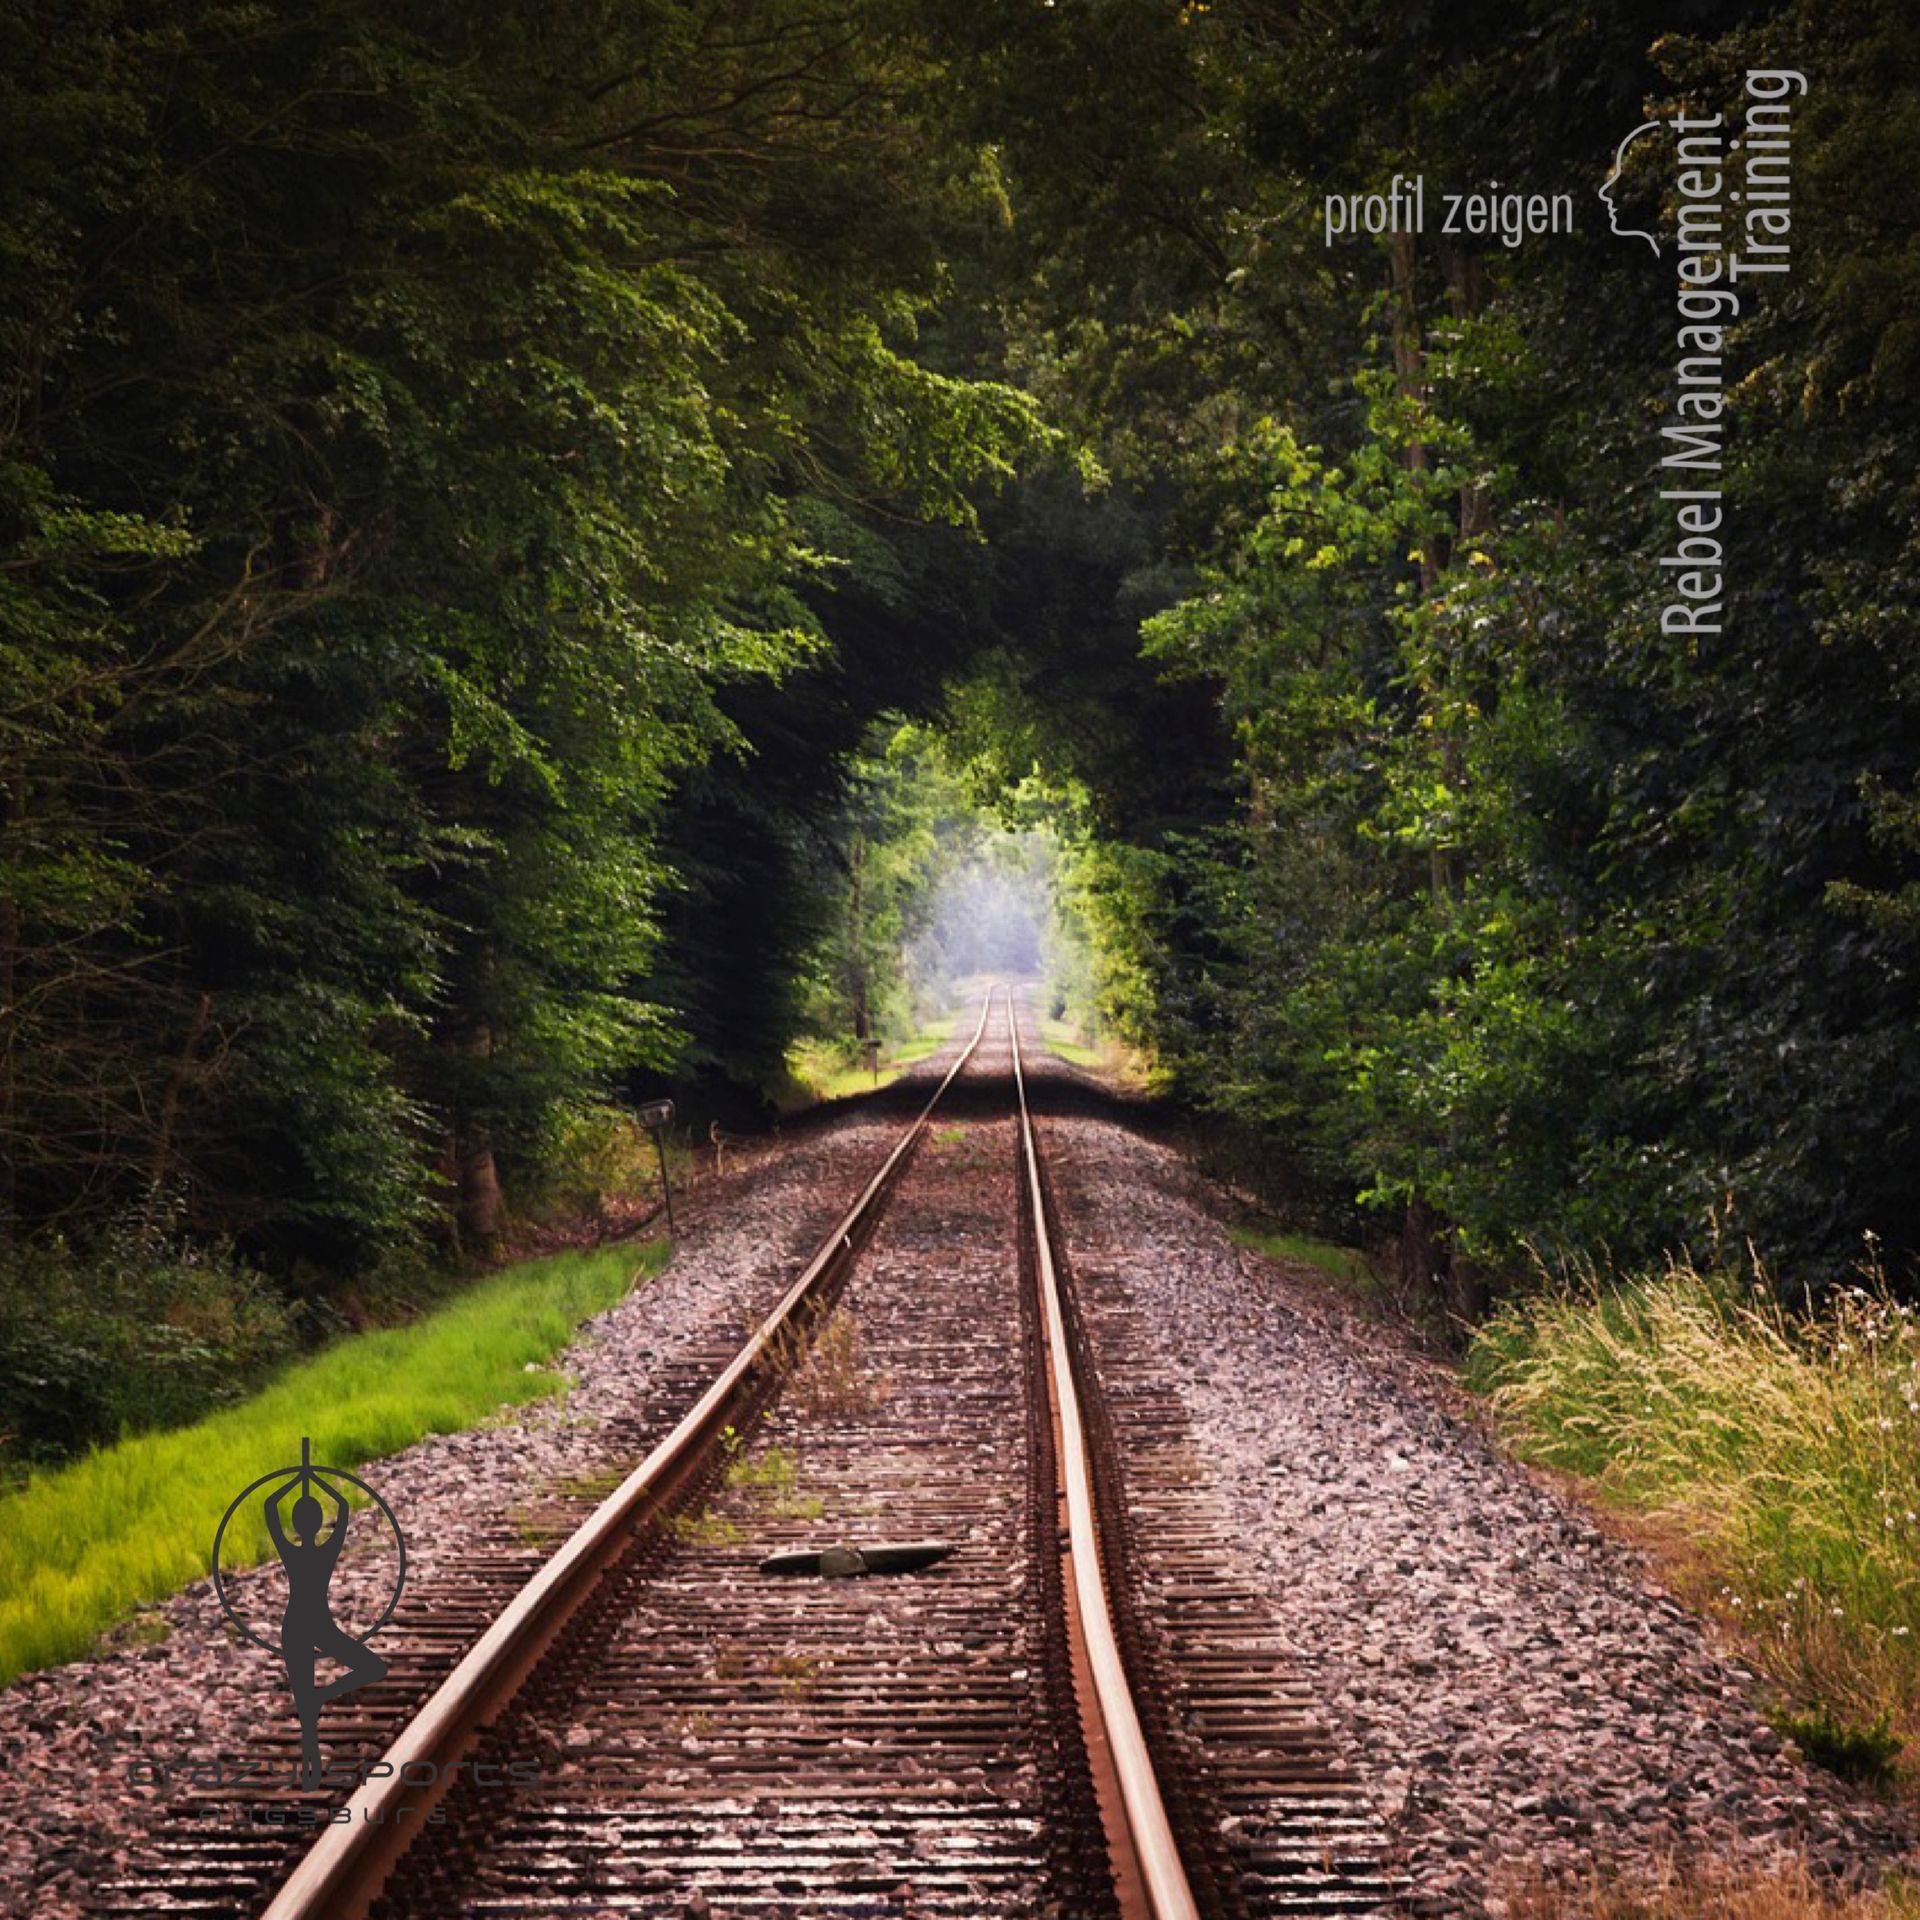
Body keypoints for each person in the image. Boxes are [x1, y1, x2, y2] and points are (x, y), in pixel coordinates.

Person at [265, 1468, 389, 1785]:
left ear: (296, 1524)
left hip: (296, 1624)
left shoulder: (290, 1552)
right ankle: (324, 1698)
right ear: (319, 1524)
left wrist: (297, 1478)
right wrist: (316, 1479)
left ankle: (312, 1767)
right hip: (319, 1624)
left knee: (305, 1704)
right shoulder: (326, 1552)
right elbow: (344, 1510)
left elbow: (269, 1507)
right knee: (371, 1667)